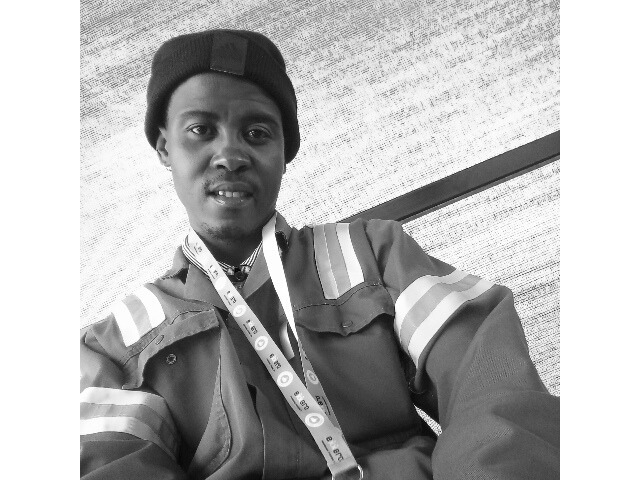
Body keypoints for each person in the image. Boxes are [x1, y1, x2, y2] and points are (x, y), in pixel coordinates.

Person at [80, 29, 560, 480]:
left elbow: (491, 385)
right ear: (164, 147)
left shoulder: (374, 254)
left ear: (286, 151)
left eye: (257, 133)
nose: (230, 155)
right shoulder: (114, 347)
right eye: (201, 130)